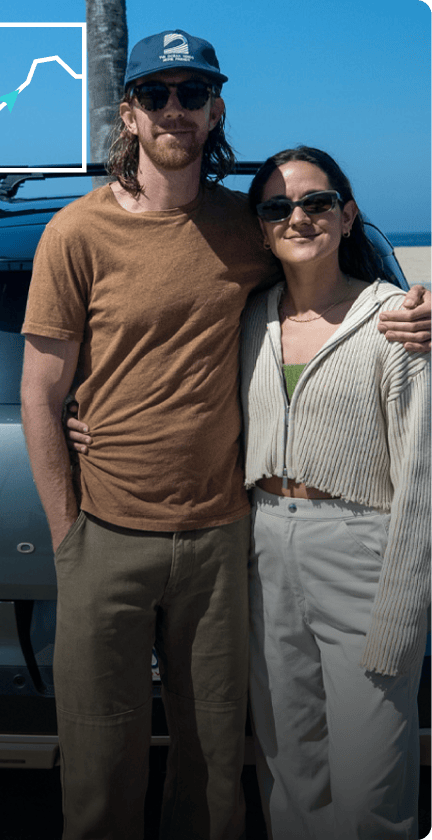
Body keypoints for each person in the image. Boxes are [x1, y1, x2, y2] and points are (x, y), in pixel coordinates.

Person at [21, 28, 432, 840]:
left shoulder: (251, 228)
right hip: (106, 535)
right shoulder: (75, 234)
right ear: (129, 114)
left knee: (217, 778)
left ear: (216, 112)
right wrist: (69, 539)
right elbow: (39, 394)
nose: (176, 108)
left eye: (193, 93)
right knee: (101, 775)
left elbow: (333, 283)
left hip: (224, 539)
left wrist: (418, 303)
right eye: (157, 94)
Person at [241, 146, 432, 840]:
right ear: (261, 228)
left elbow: (422, 479)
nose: (299, 216)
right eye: (277, 207)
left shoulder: (394, 321)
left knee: (369, 789)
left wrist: (403, 616)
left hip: (360, 548)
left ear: (347, 216)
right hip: (261, 546)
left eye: (317, 202)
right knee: (290, 776)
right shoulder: (246, 320)